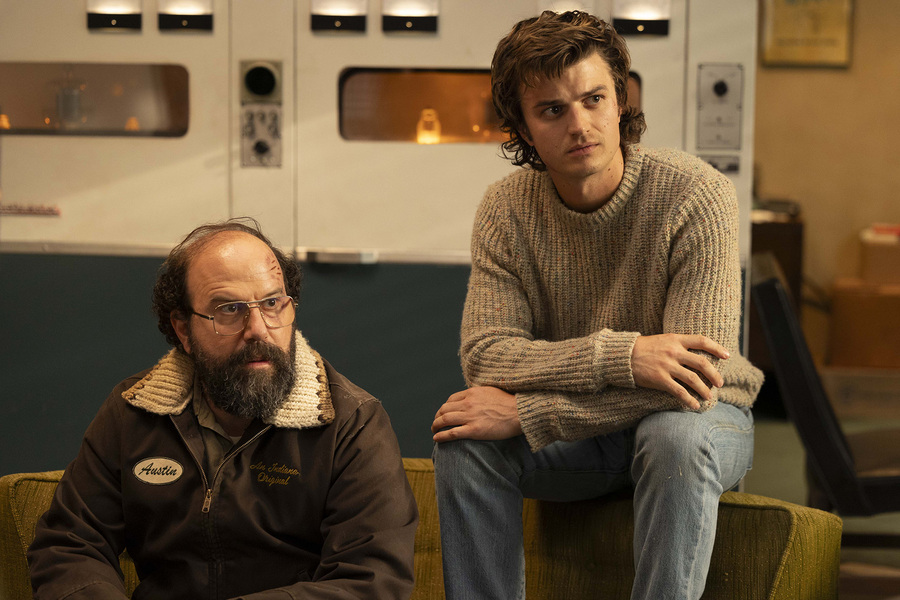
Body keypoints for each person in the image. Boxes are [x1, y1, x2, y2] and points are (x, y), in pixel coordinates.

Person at [430, 11, 763, 600]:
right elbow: (487, 356)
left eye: (594, 99)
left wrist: (534, 414)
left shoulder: (697, 193)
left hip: (705, 418)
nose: (580, 125)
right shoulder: (506, 209)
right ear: (523, 127)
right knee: (464, 442)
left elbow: (695, 380)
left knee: (673, 436)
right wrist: (625, 357)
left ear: (621, 100)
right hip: (592, 438)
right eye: (552, 110)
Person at [28, 218, 418, 599]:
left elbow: (371, 581)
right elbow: (69, 545)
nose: (258, 329)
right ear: (183, 329)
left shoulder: (351, 422)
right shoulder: (134, 411)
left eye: (272, 303)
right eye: (229, 309)